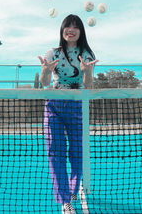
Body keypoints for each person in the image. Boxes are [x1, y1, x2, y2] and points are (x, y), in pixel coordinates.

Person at [38, 14, 98, 214]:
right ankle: (65, 200)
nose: (70, 30)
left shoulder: (87, 54)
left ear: (81, 31)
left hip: (77, 104)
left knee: (77, 153)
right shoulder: (52, 53)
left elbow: (88, 85)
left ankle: (73, 189)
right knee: (55, 152)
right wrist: (45, 71)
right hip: (54, 104)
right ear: (62, 30)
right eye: (67, 26)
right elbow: (45, 83)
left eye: (75, 27)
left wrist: (87, 71)